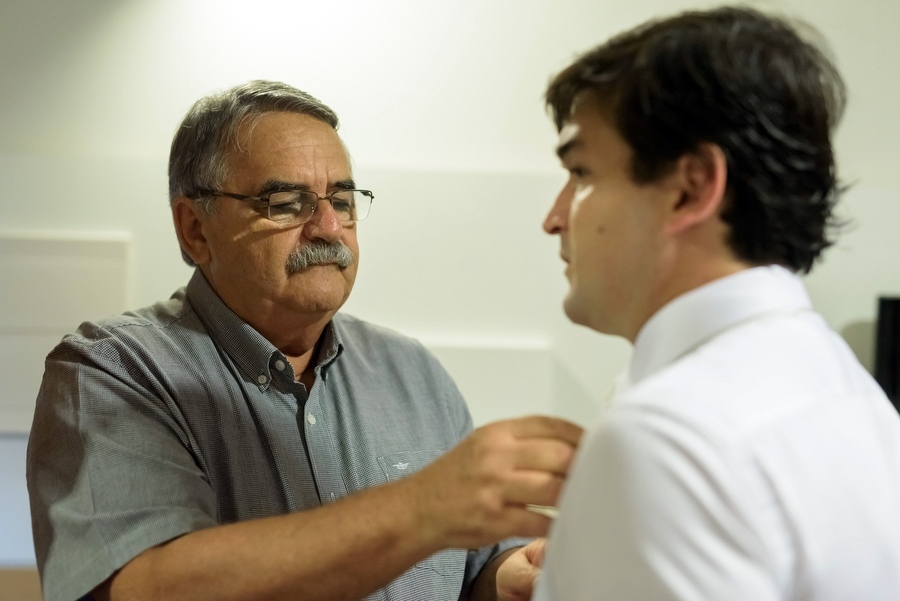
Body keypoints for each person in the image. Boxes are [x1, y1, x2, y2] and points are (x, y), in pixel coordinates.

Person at [26, 80, 582, 601]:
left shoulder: (411, 373)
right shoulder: (114, 371)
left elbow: (473, 569)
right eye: (287, 203)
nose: (329, 228)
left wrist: (511, 578)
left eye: (341, 200)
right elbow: (143, 586)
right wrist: (416, 511)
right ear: (195, 229)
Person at [502, 6, 900, 600]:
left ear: (691, 187)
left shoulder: (667, 437)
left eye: (581, 172)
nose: (554, 218)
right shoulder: (852, 393)